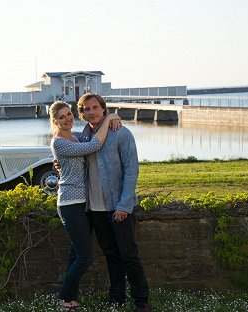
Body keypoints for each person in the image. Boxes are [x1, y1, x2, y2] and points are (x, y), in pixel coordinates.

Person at [77, 92, 151, 312]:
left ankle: (141, 301)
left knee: (129, 255)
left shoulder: (121, 133)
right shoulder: (82, 138)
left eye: (94, 108)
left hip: (118, 207)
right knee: (111, 255)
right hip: (96, 208)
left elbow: (131, 171)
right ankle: (116, 298)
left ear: (103, 109)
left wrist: (123, 206)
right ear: (82, 113)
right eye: (86, 109)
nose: (91, 112)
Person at [49, 100, 120, 310]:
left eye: (69, 114)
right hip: (70, 204)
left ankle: (70, 297)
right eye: (61, 117)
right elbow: (94, 145)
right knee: (86, 256)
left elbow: (89, 141)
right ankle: (64, 297)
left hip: (84, 203)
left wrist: (112, 118)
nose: (67, 118)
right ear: (55, 121)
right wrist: (109, 118)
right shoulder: (59, 142)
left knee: (75, 253)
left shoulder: (76, 137)